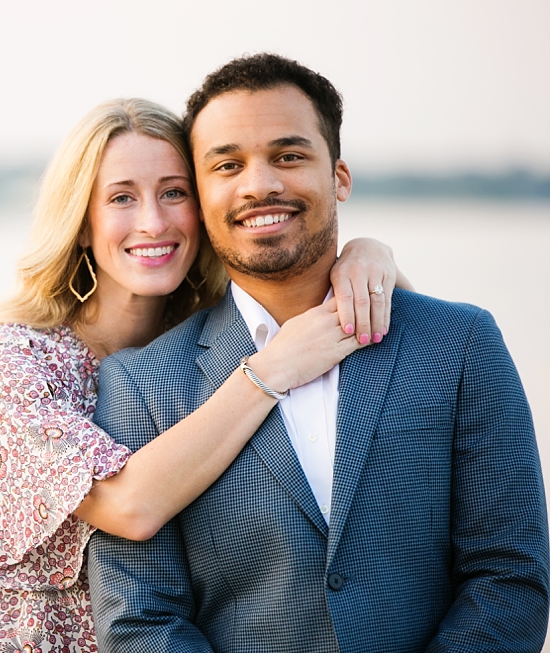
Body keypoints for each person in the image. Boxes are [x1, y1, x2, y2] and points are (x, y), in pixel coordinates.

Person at [87, 54, 550, 652]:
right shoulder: (138, 382)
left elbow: (510, 577)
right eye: (228, 165)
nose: (260, 185)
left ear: (340, 177)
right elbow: (139, 621)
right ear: (200, 199)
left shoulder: (460, 345)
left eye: (289, 156)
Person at [0, 97, 410, 653]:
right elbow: (126, 507)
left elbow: (407, 349)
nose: (153, 222)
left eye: (174, 192)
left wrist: (369, 254)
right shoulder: (14, 361)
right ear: (82, 224)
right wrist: (275, 367)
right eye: (121, 198)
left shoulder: (212, 342)